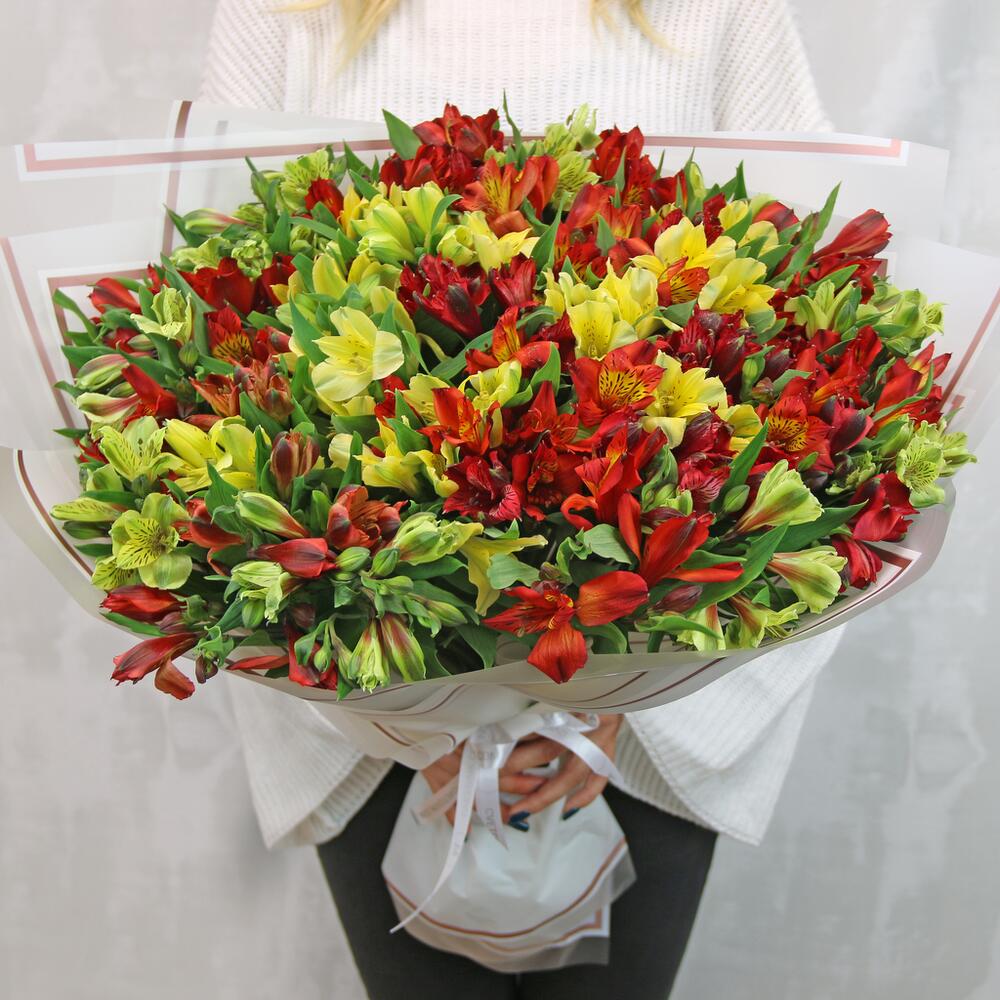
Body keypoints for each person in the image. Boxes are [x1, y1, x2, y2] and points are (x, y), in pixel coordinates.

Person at [200, 1, 840, 997]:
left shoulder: (720, 9)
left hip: (647, 711)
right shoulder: (286, 13)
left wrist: (617, 703)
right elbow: (210, 334)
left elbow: (818, 349)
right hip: (363, 699)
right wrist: (401, 717)